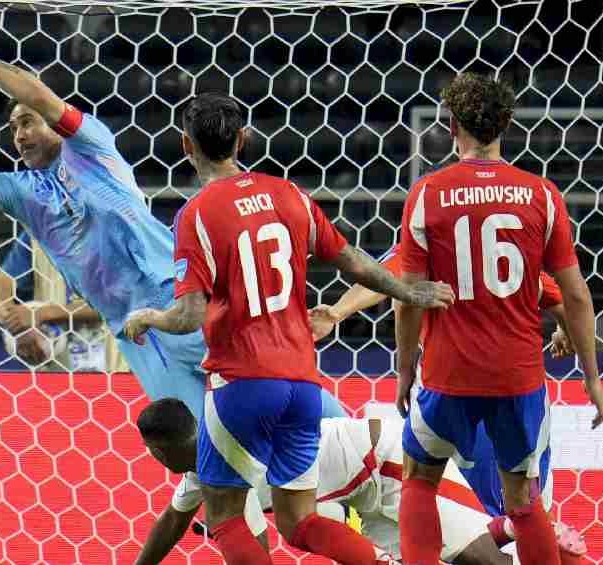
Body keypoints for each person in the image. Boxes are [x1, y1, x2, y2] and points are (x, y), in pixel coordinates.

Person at [0, 9, 347, 421]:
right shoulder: (21, 192)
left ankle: (364, 449)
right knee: (197, 446)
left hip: (184, 301)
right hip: (134, 335)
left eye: (26, 121)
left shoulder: (91, 147)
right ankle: (240, 516)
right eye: (12, 127)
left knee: (284, 399)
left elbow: (40, 95)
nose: (18, 134)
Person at [123, 92, 454, 565]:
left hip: (242, 383)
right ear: (243, 139)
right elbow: (351, 260)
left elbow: (189, 315)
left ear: (184, 145)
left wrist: (148, 318)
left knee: (225, 516)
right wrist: (409, 292)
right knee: (299, 521)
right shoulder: (289, 194)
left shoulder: (195, 215)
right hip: (302, 384)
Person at [391, 73, 603, 565]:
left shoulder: (427, 193)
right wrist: (593, 379)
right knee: (524, 502)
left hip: (449, 373)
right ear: (508, 124)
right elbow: (574, 294)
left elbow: (407, 298)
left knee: (419, 480)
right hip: (518, 376)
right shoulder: (541, 194)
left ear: (450, 127)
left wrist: (405, 372)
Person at [310, 245, 587, 562]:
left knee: (463, 531)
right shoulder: (507, 244)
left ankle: (518, 533)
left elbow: (386, 276)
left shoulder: (434, 236)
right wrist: (567, 333)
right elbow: (565, 299)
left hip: (452, 398)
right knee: (521, 515)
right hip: (518, 395)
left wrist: (339, 311)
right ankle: (526, 533)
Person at [134, 397, 567, 565]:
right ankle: (508, 528)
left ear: (158, 449)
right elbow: (171, 522)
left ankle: (517, 529)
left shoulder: (227, 470)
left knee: (483, 563)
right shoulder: (201, 472)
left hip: (387, 461)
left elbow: (255, 553)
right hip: (360, 500)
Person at [0, 230, 108, 370]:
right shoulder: (35, 233)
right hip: (54, 365)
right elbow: (0, 285)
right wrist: (17, 324)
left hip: (115, 363)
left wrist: (44, 314)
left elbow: (123, 303)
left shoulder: (114, 231)